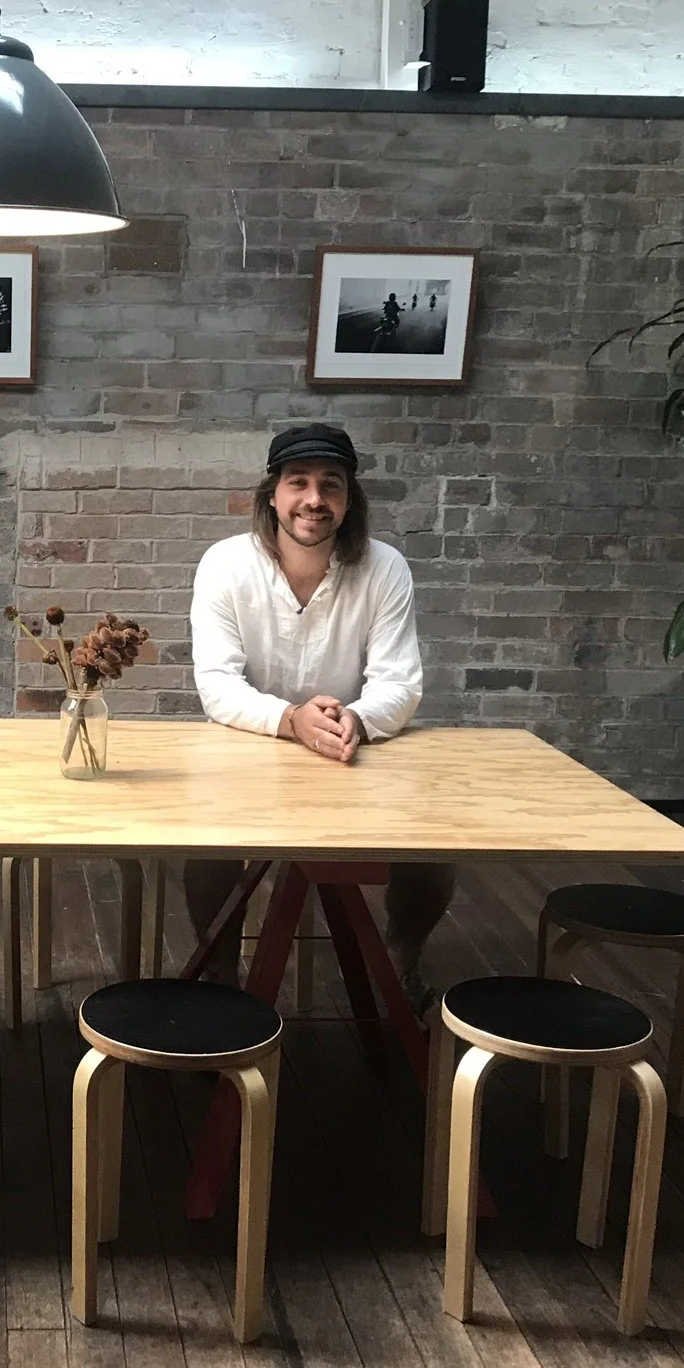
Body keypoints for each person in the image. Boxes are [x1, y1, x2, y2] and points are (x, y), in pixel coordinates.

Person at [186, 422, 455, 1006]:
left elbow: (400, 683)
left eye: (331, 484)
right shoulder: (225, 564)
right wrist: (291, 720)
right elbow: (217, 685)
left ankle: (400, 967)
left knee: (437, 844)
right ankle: (219, 982)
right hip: (250, 748)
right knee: (206, 844)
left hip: (348, 752)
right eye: (298, 482)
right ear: (272, 496)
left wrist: (353, 720)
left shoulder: (384, 567)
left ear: (349, 499)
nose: (314, 499)